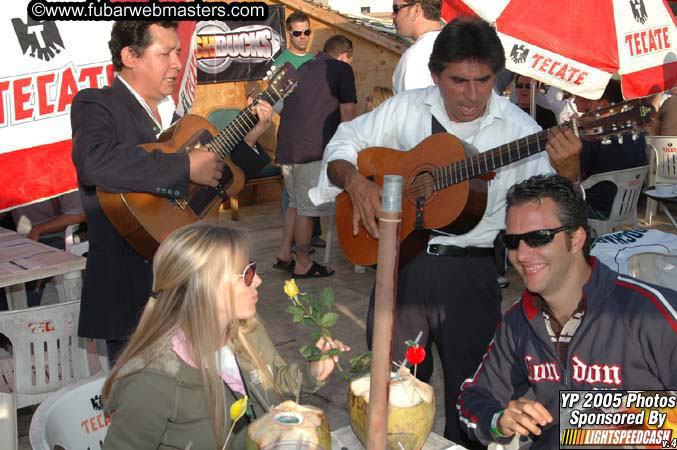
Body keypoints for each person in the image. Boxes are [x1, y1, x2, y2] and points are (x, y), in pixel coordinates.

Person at [309, 17, 581, 447]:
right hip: (400, 269)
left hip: (469, 278)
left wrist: (569, 173)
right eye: (458, 81)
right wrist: (357, 183)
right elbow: (343, 143)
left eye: (483, 81)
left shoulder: (520, 131)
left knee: (476, 397)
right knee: (393, 390)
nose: (472, 95)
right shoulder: (406, 108)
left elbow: (557, 212)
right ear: (436, 75)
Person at [71, 21, 272, 364]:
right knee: (141, 399)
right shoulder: (97, 103)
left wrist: (248, 142)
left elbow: (214, 184)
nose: (178, 63)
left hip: (188, 285)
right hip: (131, 285)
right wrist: (183, 167)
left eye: (178, 52)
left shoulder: (178, 117)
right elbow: (94, 161)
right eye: (165, 53)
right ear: (129, 56)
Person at [457, 174, 677, 449]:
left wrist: (620, 424)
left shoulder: (649, 312)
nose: (522, 255)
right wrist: (499, 421)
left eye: (538, 237)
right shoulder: (519, 320)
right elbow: (472, 399)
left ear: (576, 239)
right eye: (512, 241)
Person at [101, 222, 349, 449]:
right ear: (206, 288)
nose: (259, 281)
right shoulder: (153, 382)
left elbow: (271, 387)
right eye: (248, 273)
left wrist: (312, 374)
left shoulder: (245, 330)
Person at [274, 35, 357, 278]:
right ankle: (303, 263)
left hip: (286, 148)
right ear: (344, 55)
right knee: (306, 210)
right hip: (311, 149)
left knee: (294, 203)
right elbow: (349, 115)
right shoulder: (342, 69)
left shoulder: (303, 68)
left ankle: (283, 253)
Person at [272, 10, 325, 251]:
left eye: (307, 32)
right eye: (298, 33)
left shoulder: (315, 60)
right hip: (293, 141)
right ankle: (292, 243)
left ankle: (309, 236)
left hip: (314, 140)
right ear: (288, 33)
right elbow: (276, 104)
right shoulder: (281, 64)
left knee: (307, 194)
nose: (303, 37)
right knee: (292, 196)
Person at [576, 80, 648, 220]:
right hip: (630, 203)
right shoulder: (636, 130)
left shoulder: (592, 135)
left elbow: (575, 173)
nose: (587, 106)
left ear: (603, 105)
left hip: (599, 207)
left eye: (590, 101)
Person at [391, 0, 443, 94]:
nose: (392, 15)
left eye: (396, 9)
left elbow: (413, 107)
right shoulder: (459, 44)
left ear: (416, 10)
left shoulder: (416, 57)